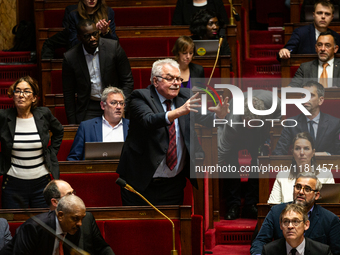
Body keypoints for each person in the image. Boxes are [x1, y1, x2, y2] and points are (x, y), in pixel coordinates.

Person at [117, 58, 229, 206]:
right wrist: (179, 112)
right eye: (170, 79)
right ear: (156, 81)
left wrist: (218, 115)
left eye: (178, 78)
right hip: (140, 181)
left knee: (172, 227)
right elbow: (149, 121)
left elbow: (203, 119)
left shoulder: (185, 95)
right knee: (139, 227)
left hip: (173, 183)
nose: (176, 83)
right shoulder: (140, 97)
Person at [0, 76, 63, 209]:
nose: (21, 95)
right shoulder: (4, 117)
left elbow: (59, 131)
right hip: (13, 185)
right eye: (17, 91)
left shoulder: (43, 114)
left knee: (43, 225)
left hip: (41, 185)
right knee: (13, 225)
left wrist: (51, 153)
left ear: (34, 97)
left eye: (26, 91)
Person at [218, 90, 281, 220]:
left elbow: (279, 118)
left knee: (258, 162)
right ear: (242, 117)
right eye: (248, 123)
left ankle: (251, 204)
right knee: (231, 163)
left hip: (261, 131)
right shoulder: (232, 123)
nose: (250, 126)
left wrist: (270, 138)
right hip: (236, 133)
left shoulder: (273, 103)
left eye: (254, 123)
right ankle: (233, 205)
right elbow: (222, 151)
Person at [62, 19, 133, 124]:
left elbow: (127, 80)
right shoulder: (70, 58)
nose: (93, 38)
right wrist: (72, 122)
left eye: (95, 34)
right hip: (89, 105)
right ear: (79, 37)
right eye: (87, 36)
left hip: (114, 103)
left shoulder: (113, 48)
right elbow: (69, 93)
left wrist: (122, 105)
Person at [251, 172, 340, 255]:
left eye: (307, 189)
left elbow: (336, 251)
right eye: (298, 187)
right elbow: (260, 241)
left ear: (316, 195)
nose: (301, 192)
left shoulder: (330, 220)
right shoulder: (276, 212)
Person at [43, 180, 115, 255]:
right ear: (55, 202)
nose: (74, 197)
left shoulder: (86, 219)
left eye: (73, 193)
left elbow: (103, 248)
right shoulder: (41, 227)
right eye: (69, 195)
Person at [0, 195, 86, 255]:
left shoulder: (73, 228)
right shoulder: (34, 228)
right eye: (75, 218)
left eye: (82, 218)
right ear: (60, 215)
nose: (80, 223)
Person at [273, 81, 340, 155]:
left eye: (311, 95)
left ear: (320, 100)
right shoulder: (291, 123)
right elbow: (278, 153)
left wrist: (327, 155)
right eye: (303, 95)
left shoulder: (335, 124)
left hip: (327, 165)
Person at [268, 132, 334, 204]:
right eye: (297, 148)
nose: (302, 153)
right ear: (293, 152)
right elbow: (273, 205)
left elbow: (329, 206)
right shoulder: (282, 175)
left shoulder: (325, 175)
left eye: (306, 148)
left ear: (313, 153)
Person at [67, 87, 129, 160]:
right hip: (94, 170)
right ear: (103, 105)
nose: (119, 107)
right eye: (113, 103)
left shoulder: (133, 127)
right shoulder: (87, 127)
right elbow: (73, 159)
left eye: (121, 103)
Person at [262, 204, 332, 255]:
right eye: (286, 221)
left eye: (295, 221)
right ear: (281, 225)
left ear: (306, 225)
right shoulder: (269, 251)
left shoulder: (322, 252)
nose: (290, 226)